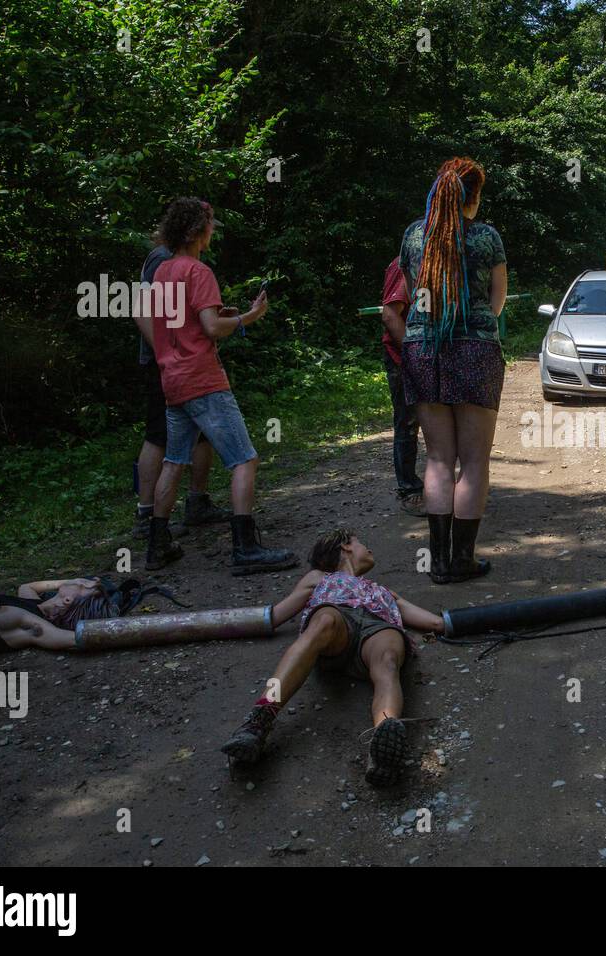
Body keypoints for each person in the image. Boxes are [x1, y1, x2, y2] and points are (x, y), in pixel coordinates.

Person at [220, 528, 445, 786]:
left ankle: (384, 740)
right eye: (362, 543)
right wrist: (209, 624)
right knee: (323, 620)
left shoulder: (384, 592)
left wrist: (487, 618)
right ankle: (258, 721)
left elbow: (437, 624)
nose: (369, 549)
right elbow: (274, 616)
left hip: (377, 630)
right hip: (336, 625)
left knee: (388, 658)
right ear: (345, 547)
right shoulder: (318, 577)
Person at [145, 197, 297, 576]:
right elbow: (212, 328)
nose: (213, 232)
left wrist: (220, 317)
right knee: (245, 459)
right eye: (210, 225)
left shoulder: (162, 271)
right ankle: (245, 548)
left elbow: (184, 323)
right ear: (197, 231)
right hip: (203, 379)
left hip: (172, 379)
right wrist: (249, 317)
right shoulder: (198, 271)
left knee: (174, 460)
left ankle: (156, 545)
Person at [399, 157, 507, 584]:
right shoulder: (485, 237)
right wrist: (475, 323)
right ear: (473, 195)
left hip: (422, 347)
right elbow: (497, 300)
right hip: (476, 348)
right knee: (474, 461)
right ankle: (462, 559)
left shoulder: (413, 235)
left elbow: (411, 293)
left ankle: (438, 562)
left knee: (438, 459)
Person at [131, 236, 230, 540]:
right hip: (168, 365)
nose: (211, 233)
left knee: (202, 435)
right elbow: (141, 311)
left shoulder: (186, 262)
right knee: (159, 436)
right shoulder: (162, 260)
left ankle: (197, 504)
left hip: (189, 364)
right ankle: (147, 516)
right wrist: (164, 354)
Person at [0, 578, 115, 669]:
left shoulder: (27, 621)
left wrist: (136, 631)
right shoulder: (34, 605)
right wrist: (66, 582)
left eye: (82, 584)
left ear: (67, 600)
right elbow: (27, 587)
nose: (80, 579)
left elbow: (73, 639)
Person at [379, 255, 426, 516]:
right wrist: (414, 356)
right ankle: (409, 490)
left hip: (428, 357)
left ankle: (438, 485)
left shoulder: (439, 261)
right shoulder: (404, 264)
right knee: (407, 422)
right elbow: (390, 315)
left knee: (435, 421)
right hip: (404, 357)